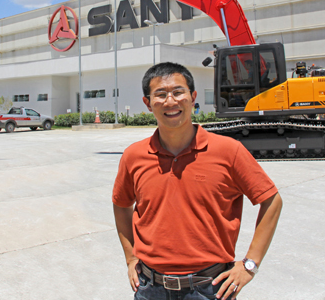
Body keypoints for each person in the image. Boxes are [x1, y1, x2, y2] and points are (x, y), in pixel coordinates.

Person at [113, 62, 282, 300]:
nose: (170, 101)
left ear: (192, 97)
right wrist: (131, 258)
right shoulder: (134, 156)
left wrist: (250, 264)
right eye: (160, 94)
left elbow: (271, 201)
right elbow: (121, 204)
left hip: (210, 288)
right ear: (147, 103)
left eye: (178, 92)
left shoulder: (228, 151)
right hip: (150, 288)